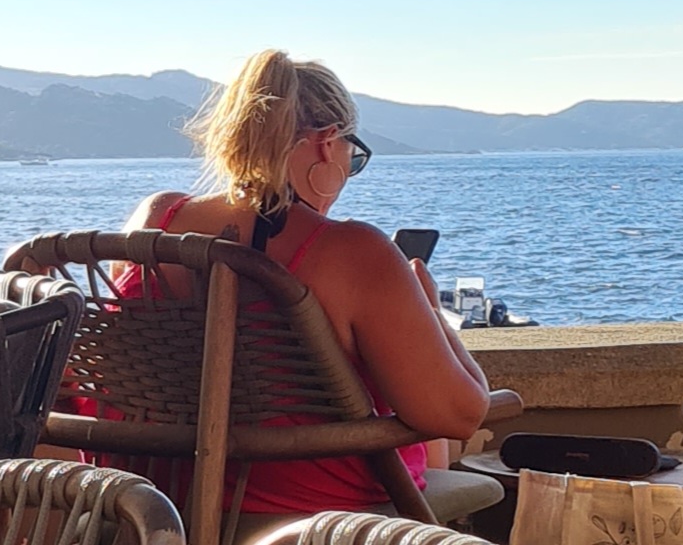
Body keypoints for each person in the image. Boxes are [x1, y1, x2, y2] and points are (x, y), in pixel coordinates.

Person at [120, 48, 491, 518]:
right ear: (328, 142)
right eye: (354, 157)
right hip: (316, 514)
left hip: (156, 501)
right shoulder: (352, 251)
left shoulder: (156, 219)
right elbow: (458, 415)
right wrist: (432, 313)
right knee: (431, 438)